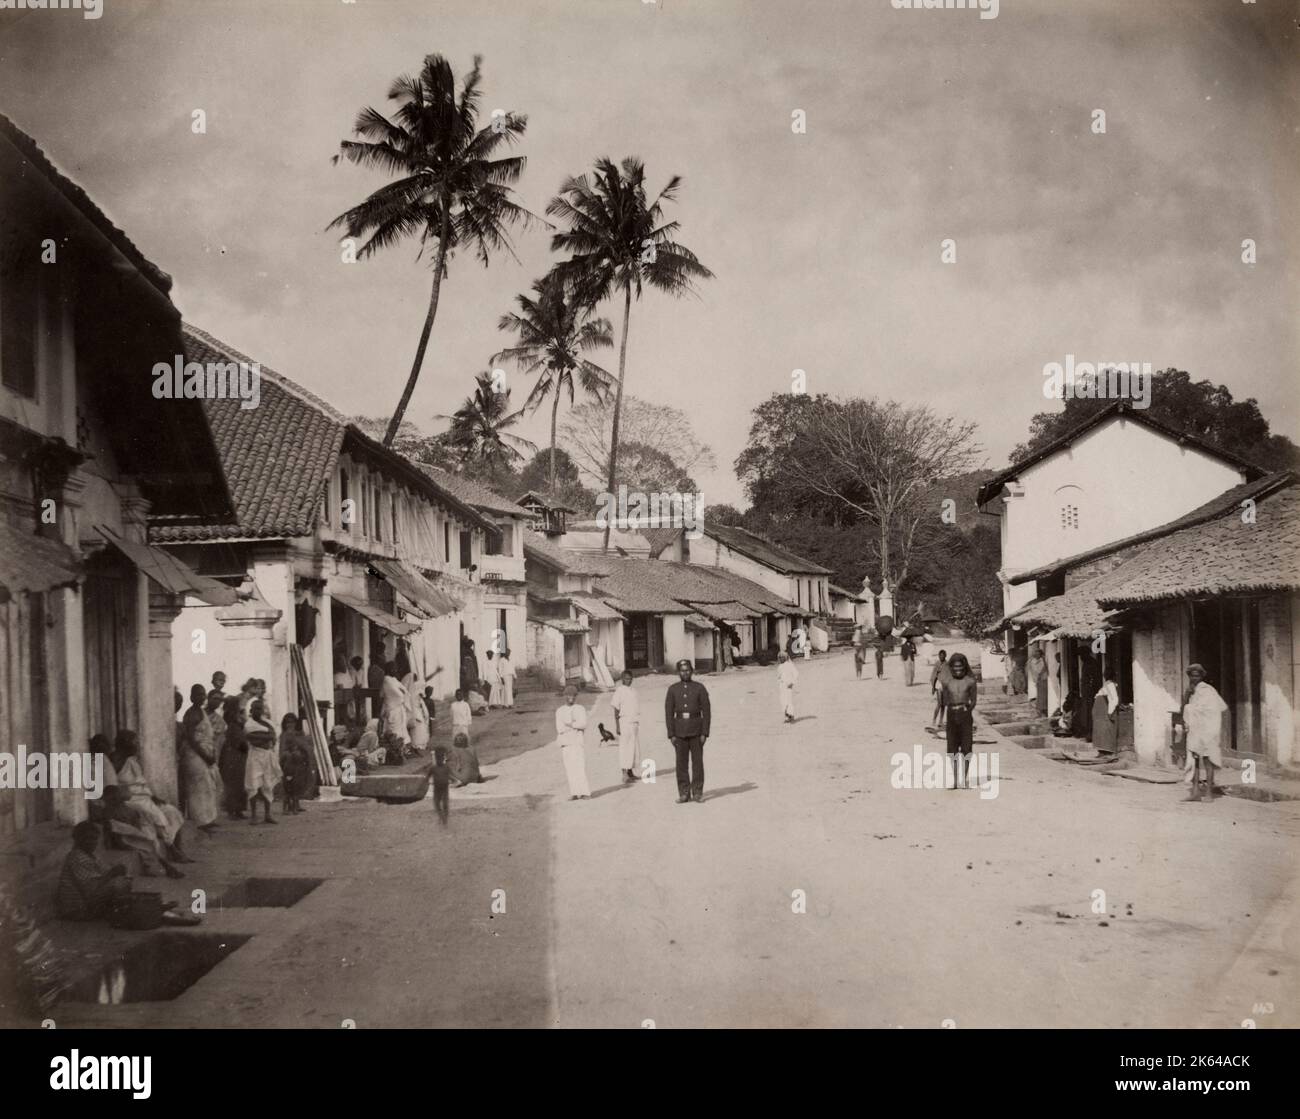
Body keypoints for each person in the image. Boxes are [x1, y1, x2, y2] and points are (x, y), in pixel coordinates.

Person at [111, 730, 189, 860]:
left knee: (171, 811)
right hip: (130, 800)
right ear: (125, 744)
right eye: (134, 742)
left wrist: (153, 796)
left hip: (144, 798)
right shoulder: (114, 762)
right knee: (154, 814)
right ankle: (171, 849)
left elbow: (142, 783)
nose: (137, 745)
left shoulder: (132, 761)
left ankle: (178, 848)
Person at [55, 821, 131, 921]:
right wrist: (112, 873)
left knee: (124, 881)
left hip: (86, 901)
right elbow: (91, 888)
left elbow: (103, 873)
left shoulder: (90, 855)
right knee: (117, 885)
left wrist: (116, 872)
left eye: (94, 839)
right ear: (77, 839)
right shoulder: (77, 857)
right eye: (87, 838)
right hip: (76, 908)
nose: (92, 842)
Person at [665, 659, 711, 804]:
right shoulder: (673, 689)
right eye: (682, 670)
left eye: (687, 670)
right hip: (679, 732)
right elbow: (668, 713)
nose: (685, 673)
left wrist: (704, 732)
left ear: (692, 671)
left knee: (697, 764)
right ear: (678, 672)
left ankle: (697, 792)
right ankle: (684, 793)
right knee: (681, 764)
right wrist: (671, 734)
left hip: (696, 731)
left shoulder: (699, 688)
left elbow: (707, 712)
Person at [1182, 663, 1227, 802]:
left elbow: (1216, 708)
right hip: (1195, 730)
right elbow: (1184, 707)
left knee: (1208, 760)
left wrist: (1191, 709)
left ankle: (1208, 793)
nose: (1194, 679)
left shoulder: (1208, 690)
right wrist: (1187, 698)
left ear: (1201, 676)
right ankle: (1195, 791)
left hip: (1208, 729)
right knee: (1194, 760)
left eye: (1197, 676)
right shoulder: (1191, 691)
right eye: (1191, 676)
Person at [179, 684, 219, 831]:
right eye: (198, 695)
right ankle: (201, 821)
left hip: (204, 754)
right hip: (195, 755)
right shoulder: (191, 714)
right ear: (191, 697)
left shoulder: (200, 711)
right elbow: (191, 739)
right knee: (199, 788)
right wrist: (205, 755)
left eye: (203, 694)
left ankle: (208, 818)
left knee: (208, 786)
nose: (201, 697)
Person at [940, 652, 978, 789]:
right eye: (955, 668)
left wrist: (966, 713)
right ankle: (955, 780)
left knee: (967, 748)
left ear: (965, 667)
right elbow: (943, 701)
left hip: (965, 715)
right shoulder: (947, 682)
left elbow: (973, 701)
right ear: (951, 668)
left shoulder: (971, 681)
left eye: (960, 668)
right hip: (951, 715)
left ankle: (964, 779)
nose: (958, 670)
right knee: (952, 749)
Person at [244, 699, 280, 824]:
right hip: (255, 756)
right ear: (251, 710)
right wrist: (266, 737)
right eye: (256, 708)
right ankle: (254, 815)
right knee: (253, 785)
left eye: (261, 708)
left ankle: (267, 814)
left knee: (268, 784)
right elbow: (251, 738)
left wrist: (263, 736)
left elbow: (273, 736)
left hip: (267, 755)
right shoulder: (249, 724)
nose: (259, 711)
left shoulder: (267, 722)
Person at [555, 683, 591, 799]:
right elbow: (560, 728)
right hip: (566, 742)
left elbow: (583, 724)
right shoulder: (560, 711)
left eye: (574, 695)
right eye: (568, 695)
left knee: (580, 766)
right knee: (570, 768)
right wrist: (575, 725)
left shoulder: (580, 709)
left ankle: (585, 792)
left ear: (576, 696)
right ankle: (574, 793)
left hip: (577, 742)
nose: (571, 697)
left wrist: (570, 724)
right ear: (564, 696)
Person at [218, 696, 249, 818]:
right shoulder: (231, 721)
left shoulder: (236, 718)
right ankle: (233, 810)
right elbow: (236, 739)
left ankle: (238, 810)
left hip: (237, 754)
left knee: (239, 782)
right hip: (233, 754)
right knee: (234, 783)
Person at [279, 712, 314, 812]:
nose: (290, 724)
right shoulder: (284, 735)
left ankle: (296, 804)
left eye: (292, 722)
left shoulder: (299, 734)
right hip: (288, 763)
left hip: (299, 763)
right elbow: (282, 751)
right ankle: (288, 806)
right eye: (288, 722)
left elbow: (305, 747)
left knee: (299, 784)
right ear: (284, 724)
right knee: (289, 785)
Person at [610, 670, 641, 784]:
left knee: (633, 748)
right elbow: (616, 709)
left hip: (634, 722)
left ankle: (630, 772)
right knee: (624, 748)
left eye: (631, 678)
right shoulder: (619, 690)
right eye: (627, 678)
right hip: (624, 722)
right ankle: (624, 774)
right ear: (622, 679)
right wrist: (617, 726)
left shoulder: (633, 691)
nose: (629, 680)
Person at [1093, 668, 1121, 755]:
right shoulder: (1107, 684)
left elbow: (1114, 699)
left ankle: (1107, 751)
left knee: (1106, 730)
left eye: (1106, 674)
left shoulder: (1110, 685)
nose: (1104, 675)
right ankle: (1102, 751)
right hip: (1100, 712)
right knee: (1100, 731)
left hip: (1105, 711)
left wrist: (1110, 711)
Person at [380, 663, 408, 746]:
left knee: (400, 729)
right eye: (394, 668)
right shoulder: (387, 680)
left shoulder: (394, 679)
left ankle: (400, 748)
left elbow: (405, 691)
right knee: (393, 730)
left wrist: (403, 692)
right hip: (392, 708)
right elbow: (399, 694)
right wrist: (402, 692)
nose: (396, 670)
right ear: (389, 670)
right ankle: (394, 748)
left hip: (398, 708)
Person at [430, 747, 451, 825]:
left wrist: (454, 780)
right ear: (435, 758)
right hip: (437, 789)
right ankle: (442, 817)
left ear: (443, 758)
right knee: (437, 804)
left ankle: (444, 819)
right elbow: (427, 777)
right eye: (437, 758)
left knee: (445, 804)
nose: (439, 760)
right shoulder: (433, 768)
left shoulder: (446, 767)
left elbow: (450, 775)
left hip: (444, 788)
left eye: (440, 758)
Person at [930, 650, 950, 730]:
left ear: (945, 656)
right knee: (939, 703)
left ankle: (941, 721)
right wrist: (933, 687)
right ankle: (934, 719)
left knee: (943, 705)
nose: (941, 657)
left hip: (945, 686)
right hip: (938, 685)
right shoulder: (937, 664)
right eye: (940, 655)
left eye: (942, 655)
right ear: (938, 656)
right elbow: (933, 676)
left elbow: (950, 676)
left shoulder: (947, 664)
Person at [776, 652, 798, 722]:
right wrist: (779, 682)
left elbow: (796, 674)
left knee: (788, 700)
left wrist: (792, 682)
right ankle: (786, 714)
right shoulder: (779, 667)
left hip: (788, 685)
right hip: (782, 685)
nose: (780, 659)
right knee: (783, 700)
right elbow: (779, 676)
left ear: (784, 658)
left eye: (781, 658)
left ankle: (790, 714)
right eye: (779, 658)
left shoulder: (790, 665)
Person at [1028, 646, 1049, 716]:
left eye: (1038, 653)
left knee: (1043, 695)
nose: (1037, 655)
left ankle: (1043, 709)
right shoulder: (1033, 661)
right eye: (1035, 653)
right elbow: (1035, 671)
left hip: (1044, 679)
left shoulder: (1043, 660)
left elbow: (1044, 669)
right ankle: (1041, 710)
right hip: (1039, 680)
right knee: (1040, 696)